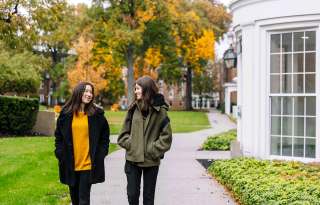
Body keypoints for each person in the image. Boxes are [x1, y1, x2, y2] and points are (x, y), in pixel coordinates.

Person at [117, 75, 173, 205]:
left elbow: (167, 137)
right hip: (132, 160)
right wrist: (132, 145)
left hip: (151, 161)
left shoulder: (161, 111)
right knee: (132, 196)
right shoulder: (132, 109)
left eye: (138, 88)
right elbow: (122, 136)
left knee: (148, 199)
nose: (135, 91)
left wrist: (152, 149)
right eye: (135, 89)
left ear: (147, 89)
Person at [54, 82, 110, 205]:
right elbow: (58, 137)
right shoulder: (66, 115)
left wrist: (101, 153)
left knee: (83, 199)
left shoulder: (97, 116)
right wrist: (60, 153)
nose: (89, 94)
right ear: (78, 92)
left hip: (88, 163)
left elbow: (105, 137)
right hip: (71, 163)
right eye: (86, 91)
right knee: (74, 198)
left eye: (91, 92)